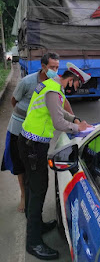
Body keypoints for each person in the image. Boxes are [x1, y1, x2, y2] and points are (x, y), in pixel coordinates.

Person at [18, 63, 91, 260]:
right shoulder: (53, 91)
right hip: (33, 145)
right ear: (71, 79)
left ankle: (37, 225)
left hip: (29, 142)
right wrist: (79, 128)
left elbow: (58, 112)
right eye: (75, 85)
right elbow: (59, 123)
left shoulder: (51, 85)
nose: (73, 89)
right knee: (39, 189)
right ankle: (33, 242)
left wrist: (75, 119)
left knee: (34, 187)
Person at [1, 52, 73, 213]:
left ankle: (32, 205)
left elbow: (63, 102)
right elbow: (14, 100)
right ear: (43, 67)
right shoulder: (28, 82)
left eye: (57, 67)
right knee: (20, 166)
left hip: (35, 136)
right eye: (52, 67)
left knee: (33, 170)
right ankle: (23, 196)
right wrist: (29, 119)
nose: (55, 70)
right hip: (18, 129)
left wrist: (75, 119)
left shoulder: (56, 83)